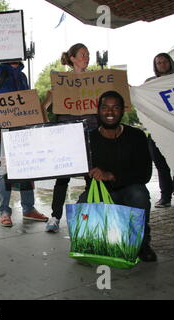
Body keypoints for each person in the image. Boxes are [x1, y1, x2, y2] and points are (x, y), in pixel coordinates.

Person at [0, 10, 48, 228]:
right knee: (5, 170)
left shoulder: (22, 75)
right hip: (3, 130)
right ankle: (5, 211)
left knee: (27, 169)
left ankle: (28, 209)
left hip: (23, 130)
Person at [78, 90, 156, 262]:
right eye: (105, 107)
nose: (110, 112)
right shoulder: (88, 139)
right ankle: (93, 242)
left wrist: (111, 175)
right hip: (100, 192)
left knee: (139, 194)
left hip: (129, 189)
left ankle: (142, 244)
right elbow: (75, 166)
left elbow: (145, 173)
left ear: (123, 110)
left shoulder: (136, 136)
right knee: (83, 203)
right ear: (98, 111)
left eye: (115, 108)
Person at [44, 43, 99, 233]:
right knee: (62, 178)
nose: (87, 57)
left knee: (91, 176)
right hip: (67, 134)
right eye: (83, 54)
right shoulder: (61, 82)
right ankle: (55, 216)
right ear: (73, 58)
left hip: (91, 133)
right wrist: (50, 95)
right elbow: (45, 108)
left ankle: (90, 214)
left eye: (88, 54)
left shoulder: (97, 80)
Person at [145, 53, 174, 208]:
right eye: (158, 62)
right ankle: (165, 196)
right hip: (157, 131)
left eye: (165, 61)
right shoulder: (150, 84)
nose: (162, 64)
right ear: (155, 66)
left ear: (170, 63)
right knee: (161, 166)